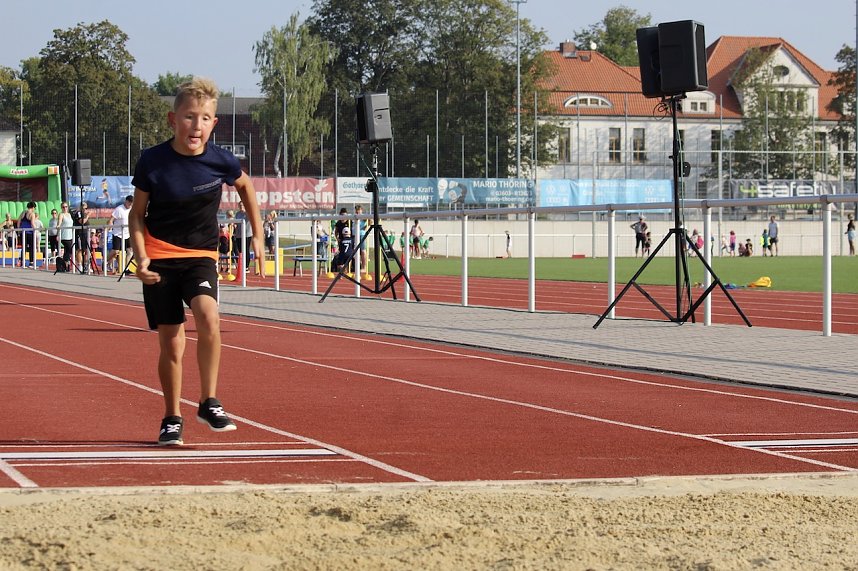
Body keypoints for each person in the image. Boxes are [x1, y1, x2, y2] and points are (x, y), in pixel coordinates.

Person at [129, 77, 266, 446]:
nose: (197, 125)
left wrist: (258, 234)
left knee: (209, 316)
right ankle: (172, 417)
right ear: (173, 120)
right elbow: (136, 215)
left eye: (205, 118)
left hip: (201, 256)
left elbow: (247, 187)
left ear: (214, 123)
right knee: (171, 344)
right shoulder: (152, 161)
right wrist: (141, 258)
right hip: (159, 258)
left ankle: (208, 401)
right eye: (190, 117)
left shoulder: (220, 159)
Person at [107, 195, 133, 274]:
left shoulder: (132, 209)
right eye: (129, 203)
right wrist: (109, 226)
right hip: (118, 233)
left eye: (132, 204)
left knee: (130, 250)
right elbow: (111, 219)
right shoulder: (119, 209)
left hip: (127, 233)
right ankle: (105, 262)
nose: (130, 205)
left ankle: (126, 268)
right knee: (116, 251)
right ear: (126, 201)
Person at [72, 203, 91, 273]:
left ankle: (86, 265)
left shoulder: (85, 214)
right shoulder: (79, 213)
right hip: (79, 233)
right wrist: (88, 216)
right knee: (79, 249)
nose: (85, 210)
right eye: (84, 208)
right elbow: (82, 221)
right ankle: (79, 265)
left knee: (86, 250)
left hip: (86, 233)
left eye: (86, 208)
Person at [57, 202, 75, 271]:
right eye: (63, 207)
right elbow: (59, 222)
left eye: (66, 207)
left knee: (67, 250)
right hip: (64, 235)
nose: (65, 208)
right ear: (61, 208)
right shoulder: (61, 214)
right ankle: (65, 263)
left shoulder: (69, 215)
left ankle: (65, 264)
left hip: (70, 235)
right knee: (69, 249)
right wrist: (58, 227)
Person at [17, 202, 36, 267]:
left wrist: (19, 230)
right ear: (33, 207)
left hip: (23, 231)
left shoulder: (23, 213)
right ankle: (31, 262)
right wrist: (36, 230)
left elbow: (18, 222)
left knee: (24, 247)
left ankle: (23, 262)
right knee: (31, 247)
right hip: (29, 232)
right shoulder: (32, 214)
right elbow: (32, 223)